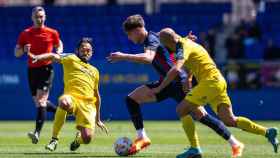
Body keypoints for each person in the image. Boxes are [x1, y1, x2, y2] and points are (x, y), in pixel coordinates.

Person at [107, 14, 243, 157]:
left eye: (129, 35)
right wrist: (185, 39)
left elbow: (148, 58)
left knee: (202, 116)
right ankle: (142, 137)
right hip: (167, 82)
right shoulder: (155, 37)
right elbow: (172, 40)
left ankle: (234, 143)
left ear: (137, 30)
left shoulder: (151, 40)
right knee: (131, 99)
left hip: (177, 82)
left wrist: (123, 56)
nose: (129, 38)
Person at [151, 27, 279, 157]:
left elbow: (176, 69)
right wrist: (189, 78)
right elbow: (186, 51)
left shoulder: (182, 47)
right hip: (218, 81)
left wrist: (159, 88)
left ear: (168, 44)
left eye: (164, 44)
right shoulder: (184, 42)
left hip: (210, 82)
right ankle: (267, 132)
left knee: (181, 109)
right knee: (229, 120)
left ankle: (195, 149)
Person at [30, 37, 108, 151]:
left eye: (88, 50)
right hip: (72, 98)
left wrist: (98, 119)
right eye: (83, 49)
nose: (86, 52)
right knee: (64, 101)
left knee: (87, 138)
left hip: (88, 105)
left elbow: (96, 95)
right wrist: (38, 57)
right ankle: (54, 139)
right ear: (77, 50)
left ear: (92, 53)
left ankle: (77, 140)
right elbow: (53, 56)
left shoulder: (95, 71)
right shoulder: (70, 58)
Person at [14, 6, 63, 144]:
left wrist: (57, 53)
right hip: (32, 70)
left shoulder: (52, 32)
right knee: (39, 103)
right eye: (37, 16)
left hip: (46, 69)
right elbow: (16, 53)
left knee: (41, 101)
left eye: (41, 16)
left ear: (45, 17)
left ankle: (37, 133)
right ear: (32, 18)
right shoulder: (25, 33)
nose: (39, 19)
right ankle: (63, 111)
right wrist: (23, 49)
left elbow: (59, 44)